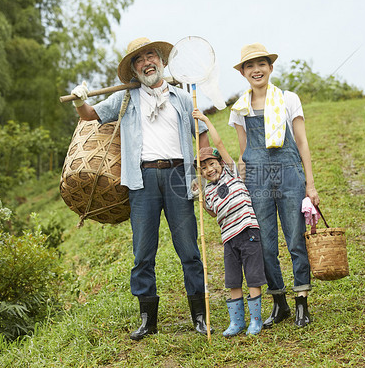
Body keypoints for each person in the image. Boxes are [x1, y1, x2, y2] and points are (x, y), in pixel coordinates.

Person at [70, 37, 212, 340]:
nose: (147, 62)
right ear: (134, 70)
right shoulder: (125, 98)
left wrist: (201, 169)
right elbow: (89, 115)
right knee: (143, 254)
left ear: (161, 60)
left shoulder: (182, 98)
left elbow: (200, 134)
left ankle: (199, 315)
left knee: (188, 250)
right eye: (139, 60)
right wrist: (79, 99)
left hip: (177, 177)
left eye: (151, 56)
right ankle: (148, 320)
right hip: (143, 179)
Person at [228, 43, 320, 328]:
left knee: (295, 239)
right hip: (257, 180)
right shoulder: (239, 109)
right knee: (264, 244)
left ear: (270, 67)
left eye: (261, 64)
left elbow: (302, 142)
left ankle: (302, 300)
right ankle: (279, 302)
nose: (256, 70)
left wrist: (311, 184)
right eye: (250, 66)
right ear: (243, 73)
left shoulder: (289, 99)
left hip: (290, 173)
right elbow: (245, 153)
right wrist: (241, 187)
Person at [192, 109, 267, 337]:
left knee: (253, 276)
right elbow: (214, 214)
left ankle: (256, 320)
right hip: (229, 239)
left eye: (212, 163)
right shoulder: (210, 191)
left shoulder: (231, 173)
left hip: (248, 232)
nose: (209, 169)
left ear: (221, 163)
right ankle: (236, 322)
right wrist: (201, 199)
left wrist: (205, 120)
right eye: (203, 168)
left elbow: (220, 142)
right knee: (233, 279)